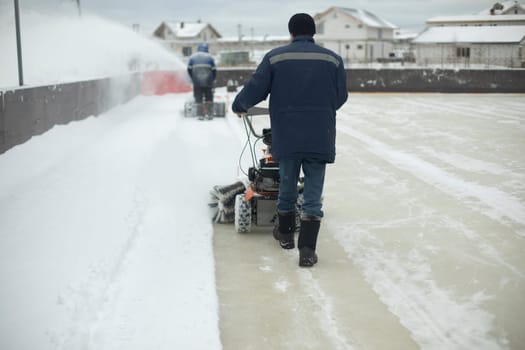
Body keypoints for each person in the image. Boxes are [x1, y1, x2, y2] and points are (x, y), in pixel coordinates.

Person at [231, 13, 348, 267]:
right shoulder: (333, 59)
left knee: (286, 184)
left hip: (287, 135)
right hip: (320, 135)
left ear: (291, 32)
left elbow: (256, 88)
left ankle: (285, 235)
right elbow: (340, 96)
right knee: (313, 195)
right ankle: (307, 251)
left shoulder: (276, 57)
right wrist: (320, 112)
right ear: (313, 32)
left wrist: (239, 104)